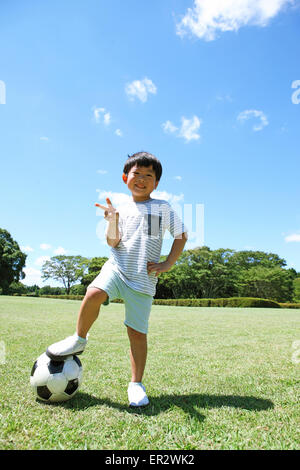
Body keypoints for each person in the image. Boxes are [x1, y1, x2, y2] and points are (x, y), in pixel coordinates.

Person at [46, 151, 188, 406]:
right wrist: (112, 220)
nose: (142, 179)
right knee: (94, 293)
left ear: (156, 183)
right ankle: (79, 339)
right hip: (117, 268)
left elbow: (181, 235)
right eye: (137, 174)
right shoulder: (120, 209)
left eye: (149, 175)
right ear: (125, 178)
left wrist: (168, 263)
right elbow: (113, 241)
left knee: (136, 333)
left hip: (143, 280)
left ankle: (136, 384)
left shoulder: (161, 208)